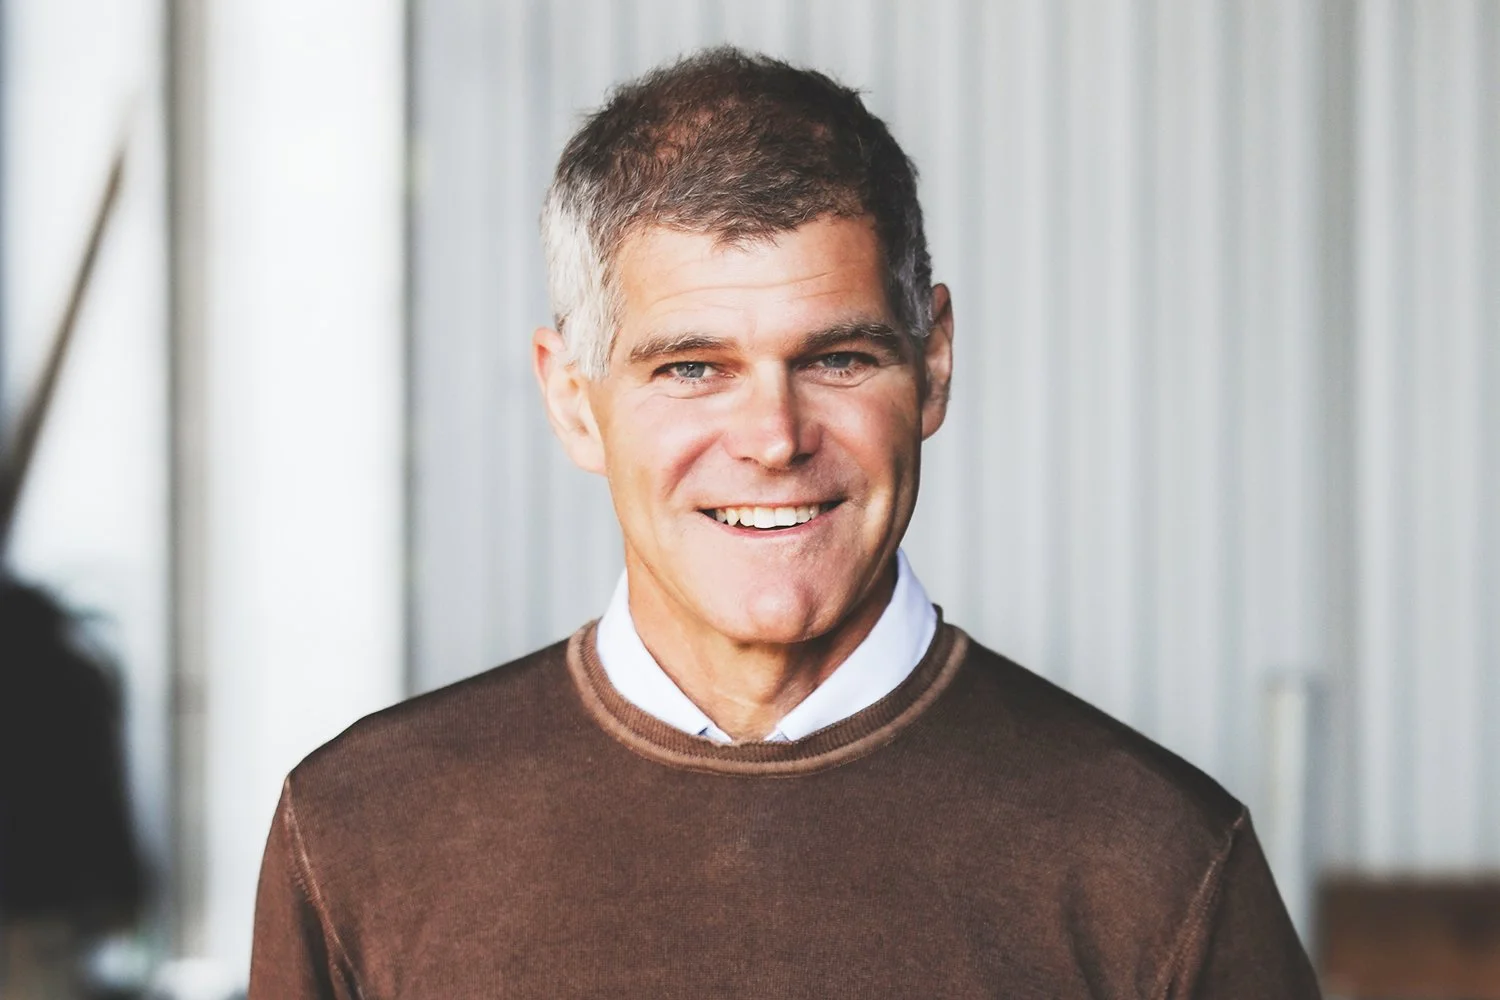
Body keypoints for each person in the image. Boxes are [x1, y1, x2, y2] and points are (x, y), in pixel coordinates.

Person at [248, 47, 1321, 998]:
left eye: (837, 357)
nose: (774, 435)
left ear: (933, 362)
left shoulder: (1158, 861)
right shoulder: (360, 835)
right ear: (575, 397)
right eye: (693, 367)